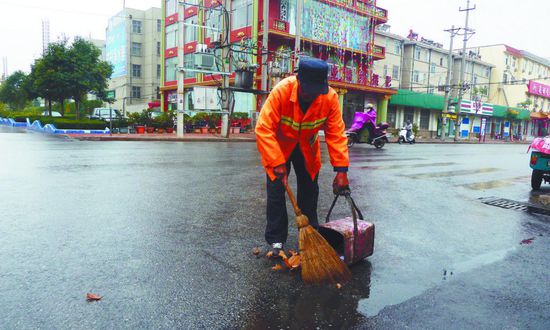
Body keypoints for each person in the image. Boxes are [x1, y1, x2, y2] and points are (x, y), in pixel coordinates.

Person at [255, 57, 350, 257]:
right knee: (276, 192)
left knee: (309, 191)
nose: (311, 95)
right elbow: (263, 128)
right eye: (307, 90)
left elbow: (336, 134)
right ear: (298, 81)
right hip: (279, 148)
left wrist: (341, 170)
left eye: (316, 91)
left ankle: (310, 234)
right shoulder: (282, 91)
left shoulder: (329, 98)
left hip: (307, 148)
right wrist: (277, 162)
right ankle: (276, 240)